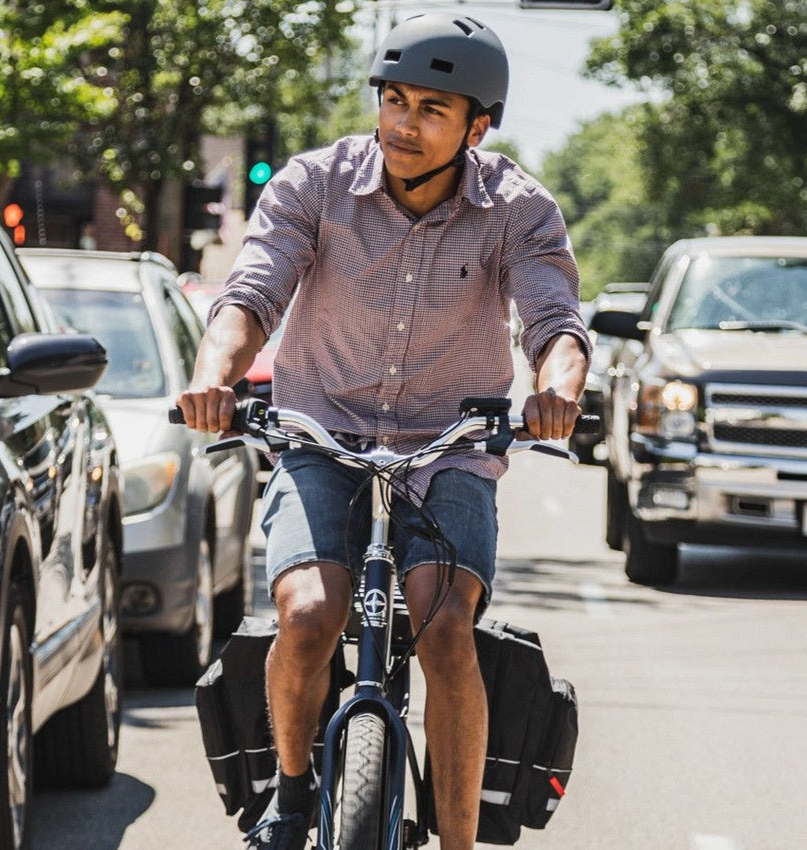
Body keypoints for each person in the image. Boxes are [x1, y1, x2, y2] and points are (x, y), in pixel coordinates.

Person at [175, 14, 589, 850]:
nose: (403, 122)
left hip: (451, 447)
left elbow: (556, 323)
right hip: (321, 428)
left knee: (444, 631)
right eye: (393, 99)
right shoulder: (314, 184)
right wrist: (213, 373)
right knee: (306, 616)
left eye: (432, 109)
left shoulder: (517, 209)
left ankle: (461, 841)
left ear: (477, 126)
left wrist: (557, 391)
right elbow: (252, 293)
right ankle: (292, 801)